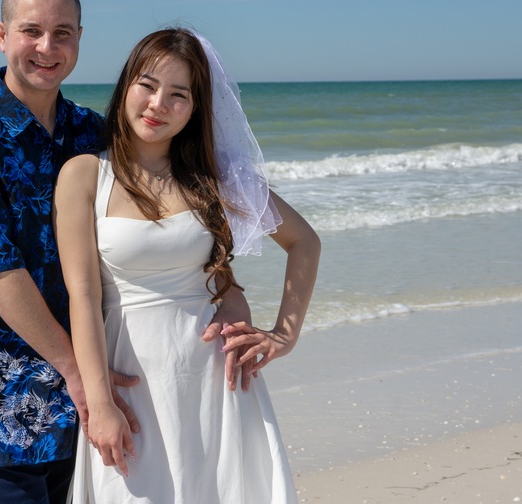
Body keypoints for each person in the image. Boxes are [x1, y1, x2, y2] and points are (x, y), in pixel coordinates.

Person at [0, 0, 255, 504]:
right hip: (0, 394)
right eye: (32, 31)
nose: (47, 48)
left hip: (101, 389)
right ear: (2, 35)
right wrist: (75, 372)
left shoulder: (91, 133)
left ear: (80, 39)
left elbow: (176, 219)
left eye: (63, 33)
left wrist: (229, 297)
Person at [54, 28, 321, 503]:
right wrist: (99, 404)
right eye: (148, 85)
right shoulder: (84, 175)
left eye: (179, 95)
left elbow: (304, 242)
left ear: (197, 108)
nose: (158, 104)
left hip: (215, 378)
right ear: (126, 86)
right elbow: (84, 297)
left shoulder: (216, 179)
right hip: (130, 376)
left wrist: (284, 335)